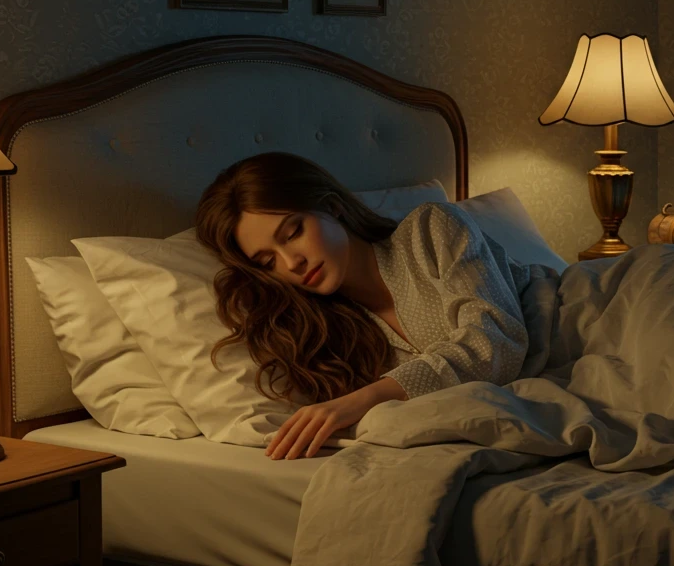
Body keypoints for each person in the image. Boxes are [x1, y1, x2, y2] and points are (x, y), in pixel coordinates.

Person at [195, 153, 546, 461]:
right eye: (269, 261)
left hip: (582, 315)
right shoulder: (326, 340)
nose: (292, 262)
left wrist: (369, 397)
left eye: (293, 232)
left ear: (331, 206)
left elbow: (498, 343)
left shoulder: (431, 228)